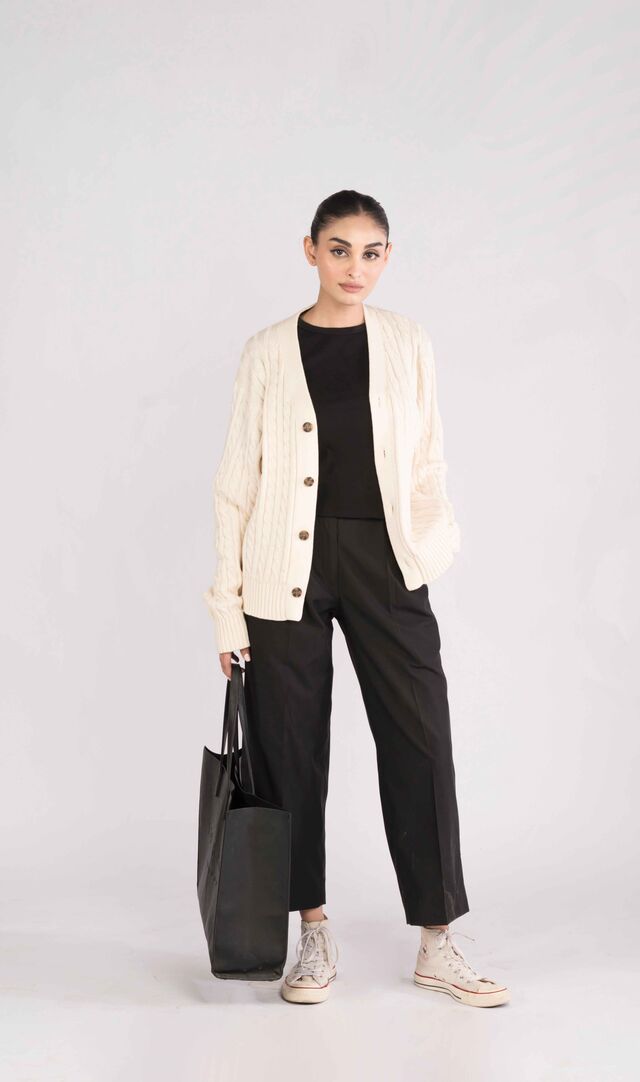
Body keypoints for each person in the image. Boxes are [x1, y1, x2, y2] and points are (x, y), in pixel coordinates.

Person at [203, 189, 510, 1008]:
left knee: (421, 738)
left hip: (385, 561)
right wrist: (227, 606)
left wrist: (430, 547)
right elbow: (236, 482)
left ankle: (438, 941)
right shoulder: (268, 350)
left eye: (371, 252)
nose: (355, 267)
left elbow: (428, 459)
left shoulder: (408, 341)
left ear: (387, 257)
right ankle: (312, 931)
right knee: (289, 749)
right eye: (339, 249)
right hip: (284, 569)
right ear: (310, 250)